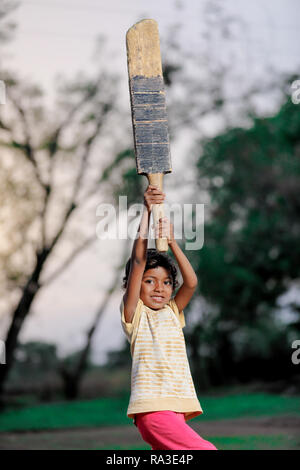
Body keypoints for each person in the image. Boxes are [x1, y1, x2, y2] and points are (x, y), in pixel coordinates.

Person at [120, 184, 217, 451]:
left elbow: (191, 282)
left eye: (165, 282)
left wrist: (172, 241)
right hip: (154, 409)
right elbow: (138, 261)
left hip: (174, 410)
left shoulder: (173, 312)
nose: (159, 288)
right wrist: (148, 212)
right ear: (133, 285)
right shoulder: (135, 314)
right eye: (149, 281)